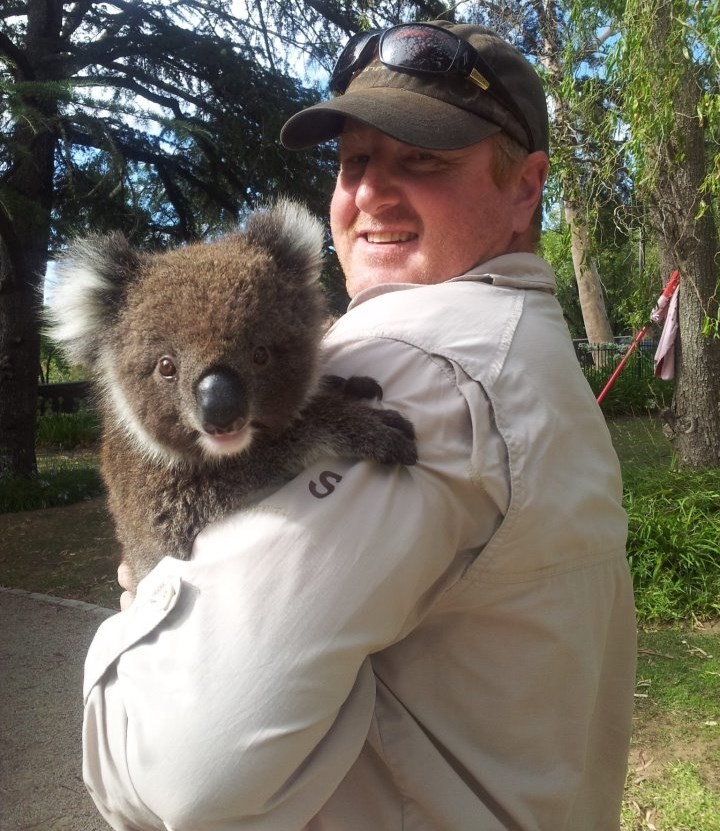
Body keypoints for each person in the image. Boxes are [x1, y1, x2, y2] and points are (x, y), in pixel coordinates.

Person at [82, 20, 637, 831]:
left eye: (425, 159)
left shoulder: (423, 365)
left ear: (525, 188)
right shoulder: (531, 349)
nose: (370, 193)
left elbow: (186, 771)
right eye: (354, 162)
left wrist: (124, 631)